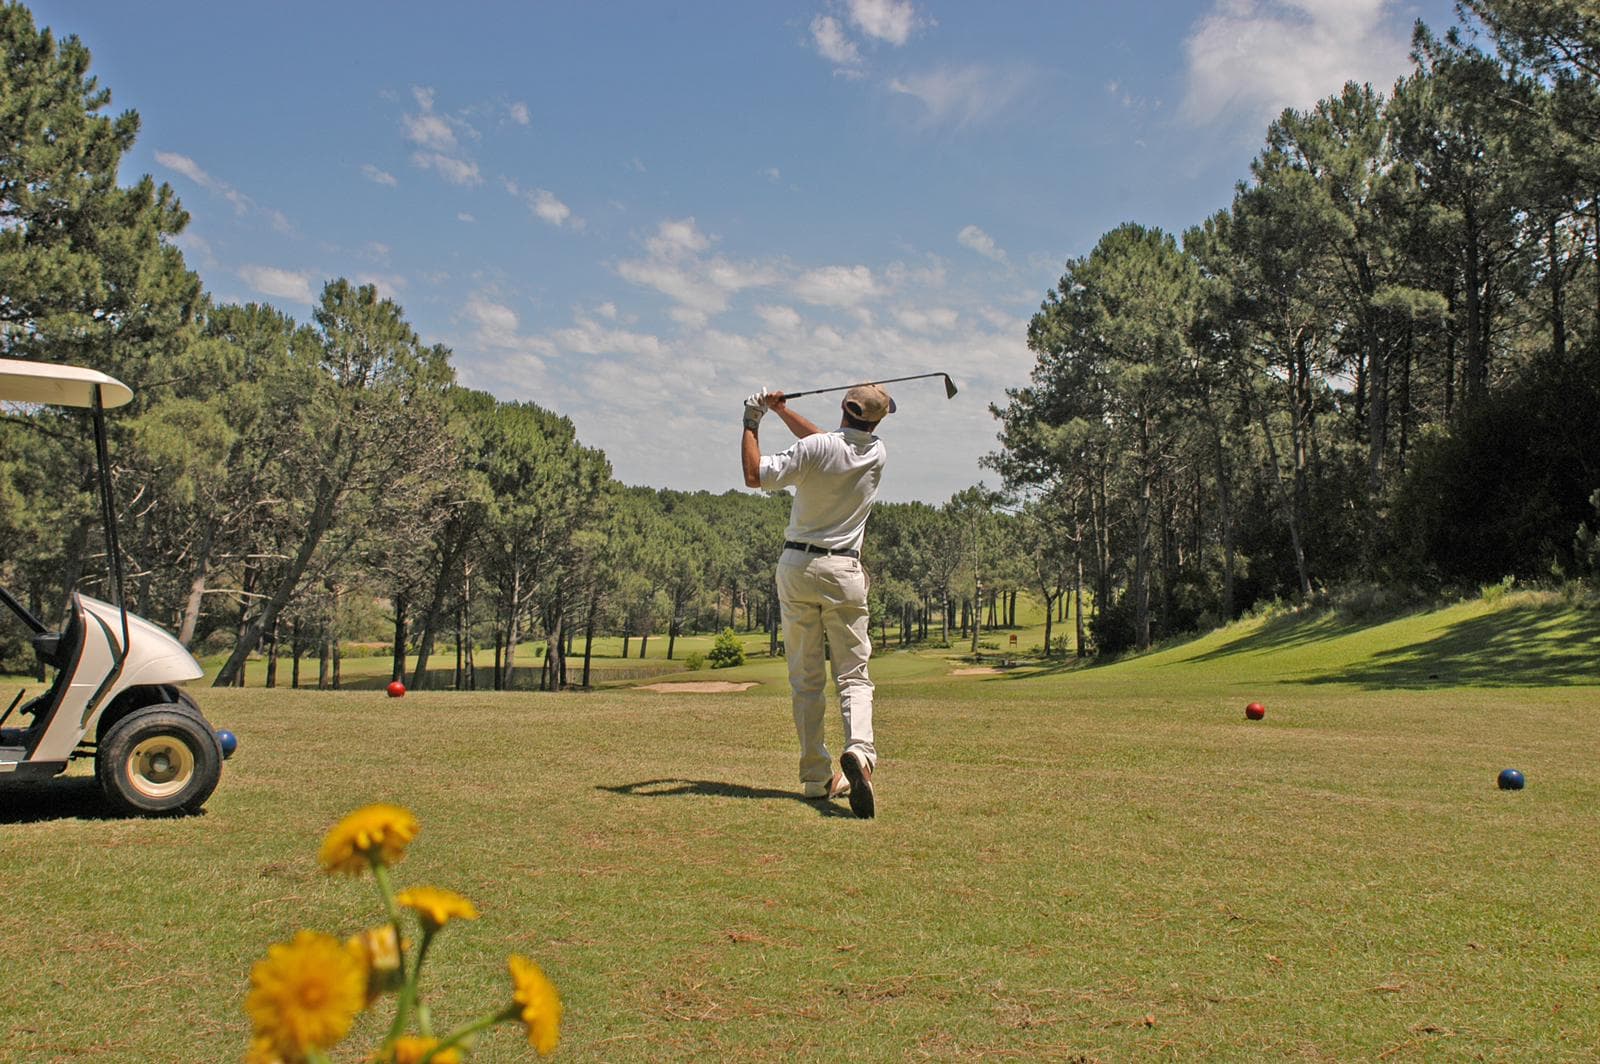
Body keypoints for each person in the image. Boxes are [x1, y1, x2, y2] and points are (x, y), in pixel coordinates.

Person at [740, 383, 893, 819]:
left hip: (796, 567)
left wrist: (754, 419)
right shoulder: (877, 453)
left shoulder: (815, 449)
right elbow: (826, 441)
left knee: (806, 678)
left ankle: (813, 777)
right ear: (876, 419)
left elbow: (755, 475)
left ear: (844, 407)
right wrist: (784, 412)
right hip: (843, 572)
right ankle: (860, 755)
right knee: (853, 675)